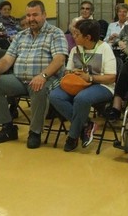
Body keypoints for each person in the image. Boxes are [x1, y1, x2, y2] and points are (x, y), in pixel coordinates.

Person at [0, 0, 68, 149]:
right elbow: (7, 59)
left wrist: (42, 76)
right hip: (20, 79)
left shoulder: (55, 33)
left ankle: (35, 132)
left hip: (46, 78)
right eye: (28, 15)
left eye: (35, 14)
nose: (31, 19)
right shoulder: (21, 35)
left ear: (44, 15)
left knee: (39, 87)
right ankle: (8, 128)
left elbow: (59, 60)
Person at [49, 19, 116, 152]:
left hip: (102, 85)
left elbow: (112, 77)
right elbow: (67, 70)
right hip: (77, 84)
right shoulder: (75, 49)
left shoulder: (105, 48)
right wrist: (72, 71)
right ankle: (86, 123)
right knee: (54, 96)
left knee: (81, 98)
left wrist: (90, 77)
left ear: (88, 37)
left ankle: (73, 136)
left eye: (77, 34)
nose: (73, 36)